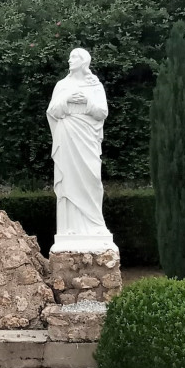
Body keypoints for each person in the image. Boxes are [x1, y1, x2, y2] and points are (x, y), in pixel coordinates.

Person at [46, 48, 111, 237]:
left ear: (84, 61)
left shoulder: (95, 86)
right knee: (69, 178)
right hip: (67, 133)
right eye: (70, 57)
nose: (70, 60)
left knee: (92, 178)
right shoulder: (62, 85)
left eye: (74, 57)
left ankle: (95, 224)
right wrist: (66, 99)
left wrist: (87, 101)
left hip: (88, 136)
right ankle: (68, 228)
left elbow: (102, 112)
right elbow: (52, 112)